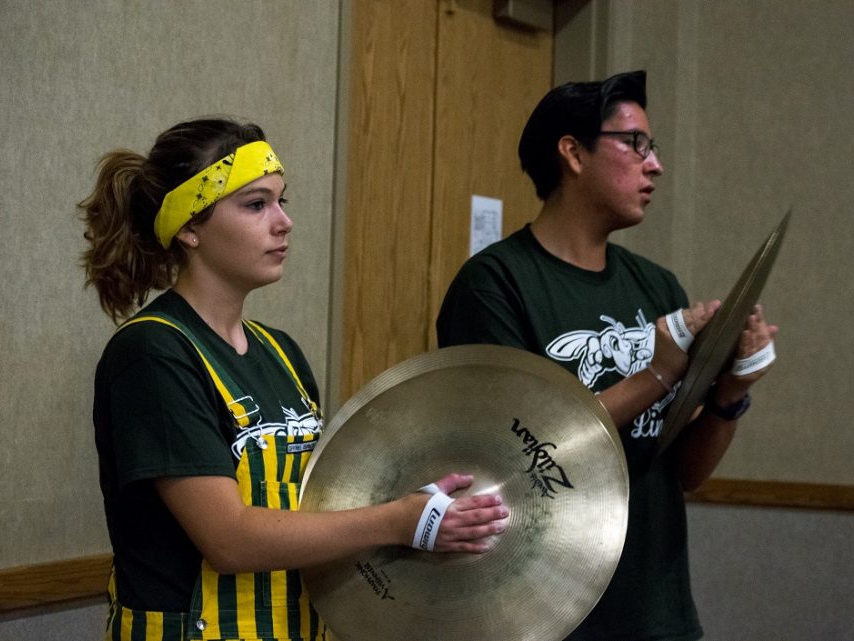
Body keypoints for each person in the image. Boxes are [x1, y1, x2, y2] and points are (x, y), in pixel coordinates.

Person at [79, 118, 508, 641]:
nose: (284, 222)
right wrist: (396, 520)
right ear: (190, 227)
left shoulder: (281, 352)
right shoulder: (152, 351)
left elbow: (309, 512)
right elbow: (230, 540)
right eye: (256, 205)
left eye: (283, 202)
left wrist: (412, 505)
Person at [436, 71, 778, 641]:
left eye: (654, 148)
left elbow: (685, 474)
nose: (655, 165)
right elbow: (519, 453)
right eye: (635, 143)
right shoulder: (494, 283)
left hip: (655, 610)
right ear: (572, 152)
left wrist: (730, 393)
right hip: (544, 612)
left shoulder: (655, 286)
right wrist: (661, 370)